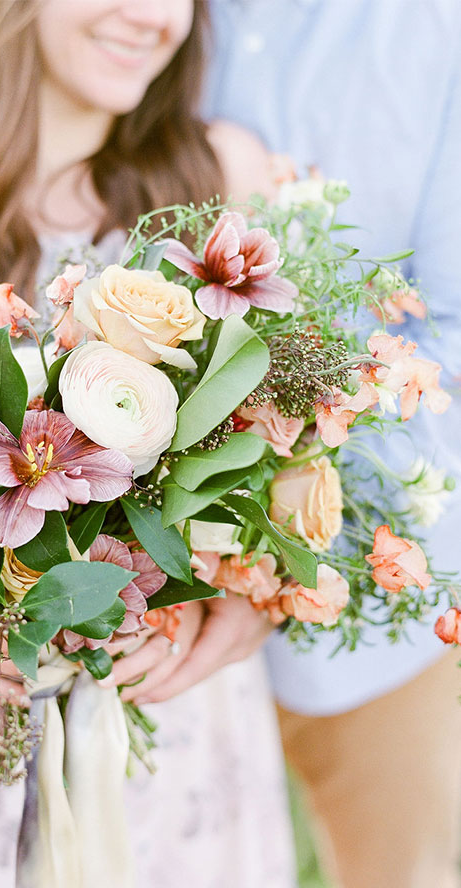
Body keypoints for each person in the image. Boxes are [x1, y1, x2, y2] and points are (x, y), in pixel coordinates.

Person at [0, 2, 296, 886]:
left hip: (172, 731)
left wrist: (247, 601)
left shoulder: (224, 173)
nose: (150, 15)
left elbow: (296, 449)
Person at [199, 2, 461, 886]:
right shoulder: (134, 20)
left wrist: (272, 537)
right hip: (149, 603)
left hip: (377, 614)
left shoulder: (432, 34)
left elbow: (455, 339)